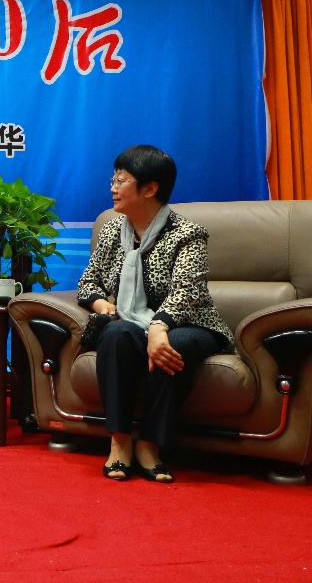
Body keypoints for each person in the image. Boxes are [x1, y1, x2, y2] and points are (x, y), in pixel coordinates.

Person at [78, 145, 232, 483]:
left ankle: (150, 443)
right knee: (116, 333)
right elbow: (88, 282)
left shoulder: (187, 233)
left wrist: (160, 327)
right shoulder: (111, 231)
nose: (112, 187)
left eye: (121, 181)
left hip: (190, 322)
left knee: (171, 345)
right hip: (131, 324)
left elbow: (187, 291)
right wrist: (102, 305)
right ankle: (119, 441)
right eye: (113, 180)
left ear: (149, 188)